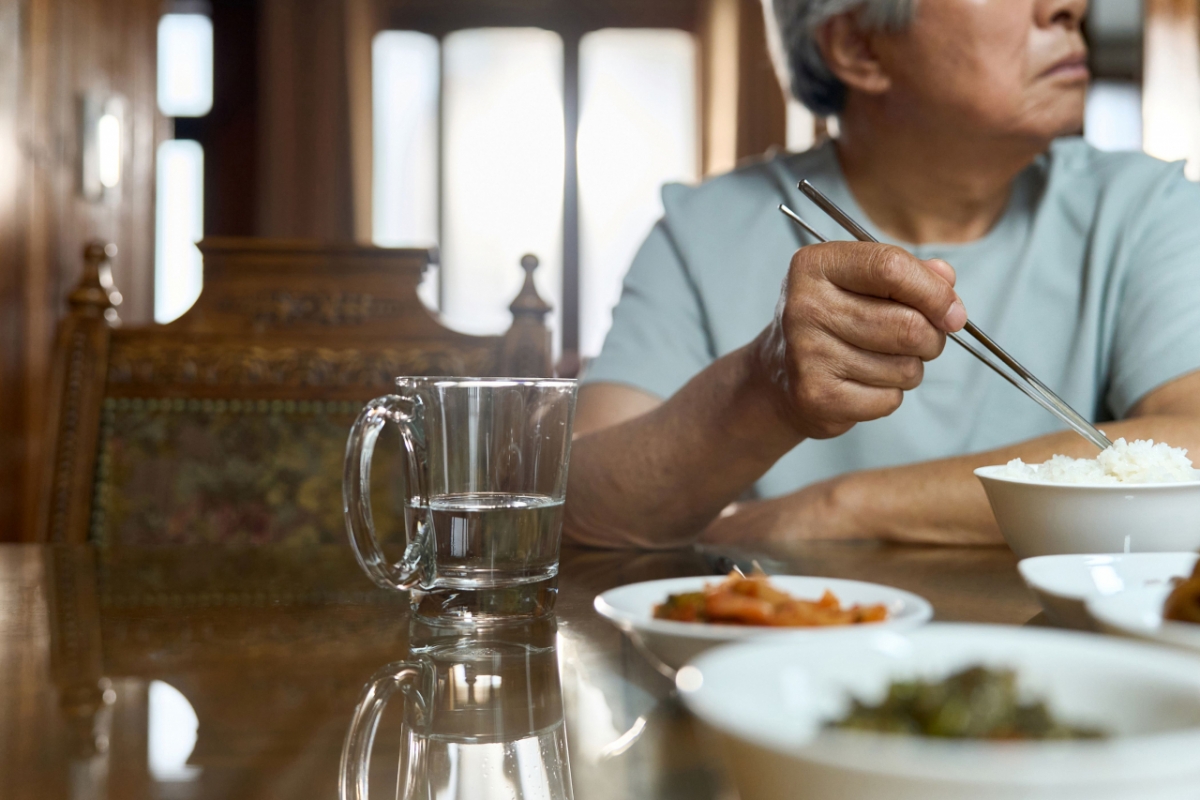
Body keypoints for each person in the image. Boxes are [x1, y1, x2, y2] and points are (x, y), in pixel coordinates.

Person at [564, 0, 1200, 549]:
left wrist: (834, 510)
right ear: (859, 46)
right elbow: (583, 506)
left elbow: (1192, 448)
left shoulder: (1145, 207)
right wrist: (765, 388)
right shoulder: (703, 228)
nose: (1068, 6)